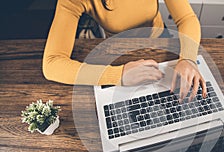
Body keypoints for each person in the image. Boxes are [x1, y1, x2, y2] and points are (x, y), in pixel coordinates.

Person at [43, 0, 206, 101]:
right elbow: (52, 64)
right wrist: (118, 75)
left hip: (158, 40)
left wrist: (188, 58)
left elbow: (186, 18)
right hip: (118, 52)